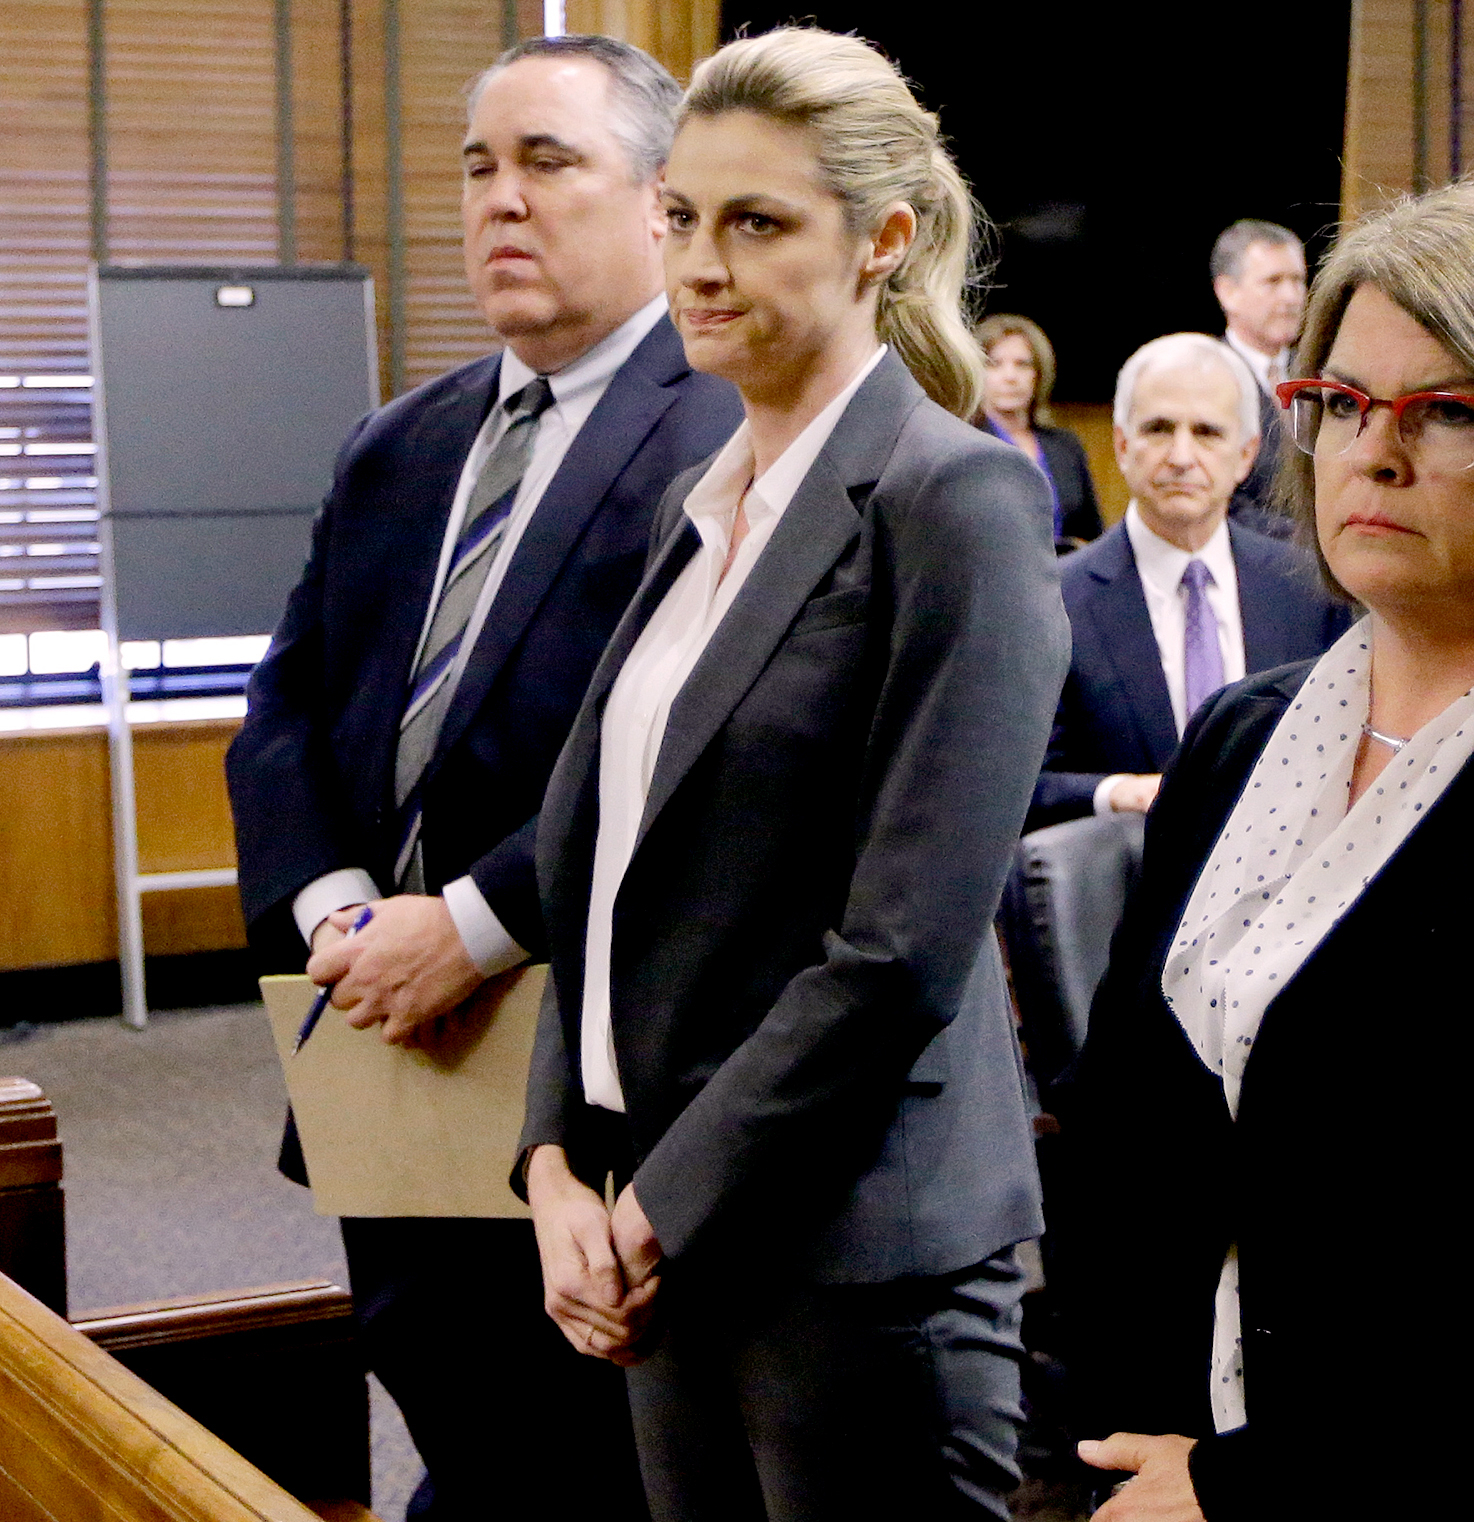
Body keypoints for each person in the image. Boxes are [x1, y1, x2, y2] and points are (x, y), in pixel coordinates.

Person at [1066, 178, 1474, 1519]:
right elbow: (1130, 1129)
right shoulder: (1239, 739)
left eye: (1451, 413)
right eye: (1343, 404)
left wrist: (1241, 1488)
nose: (1376, 452)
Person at [515, 27, 1069, 1522]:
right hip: (663, 1227)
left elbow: (897, 953)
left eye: (756, 223)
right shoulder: (702, 502)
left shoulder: (958, 498)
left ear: (884, 240)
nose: (700, 262)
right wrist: (558, 1162)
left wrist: (653, 1206)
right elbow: (607, 871)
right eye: (683, 217)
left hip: (850, 1258)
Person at [224, 34, 741, 1519]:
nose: (501, 201)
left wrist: (470, 920)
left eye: (548, 163)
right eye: (478, 166)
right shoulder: (401, 442)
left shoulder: (725, 437)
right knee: (446, 1412)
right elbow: (285, 712)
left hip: (585, 1069)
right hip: (379, 1041)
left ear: (660, 202)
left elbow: (699, 763)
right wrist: (333, 907)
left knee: (583, 1463)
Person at [1030, 332, 1348, 829]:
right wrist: (1122, 792)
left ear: (1246, 454)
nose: (1181, 456)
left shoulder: (1309, 589)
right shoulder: (1053, 600)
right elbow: (1024, 785)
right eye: (1159, 428)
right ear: (1121, 444)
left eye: (1207, 432)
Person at [1211, 219, 1306, 540]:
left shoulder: (1321, 374)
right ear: (1228, 292)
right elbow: (1218, 499)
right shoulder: (1206, 378)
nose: (1291, 297)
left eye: (1298, 281)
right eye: (1273, 281)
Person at [977, 312, 1103, 546]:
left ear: (1039, 374)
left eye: (1022, 364)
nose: (1010, 376)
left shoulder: (1065, 445)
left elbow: (1093, 532)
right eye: (994, 364)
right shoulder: (965, 444)